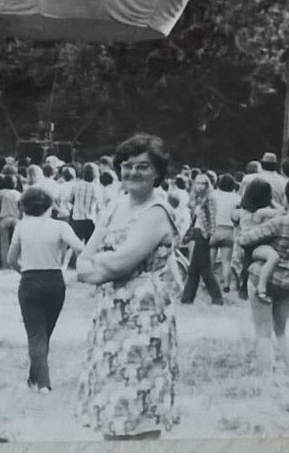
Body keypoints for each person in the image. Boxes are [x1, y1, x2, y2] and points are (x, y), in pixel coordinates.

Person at [75, 134, 182, 441]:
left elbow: (121, 262)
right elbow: (85, 257)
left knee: (140, 400)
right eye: (127, 166)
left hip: (144, 319)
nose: (133, 172)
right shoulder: (115, 205)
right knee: (112, 398)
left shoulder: (157, 211)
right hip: (111, 315)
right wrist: (96, 266)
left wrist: (96, 267)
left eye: (143, 167)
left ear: (158, 173)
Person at [235, 177, 289, 386]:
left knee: (263, 334)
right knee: (282, 331)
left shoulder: (280, 222)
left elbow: (244, 240)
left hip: (262, 277)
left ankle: (266, 381)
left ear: (288, 199)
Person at [7, 186, 85, 392]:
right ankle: (37, 380)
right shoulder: (60, 227)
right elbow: (80, 248)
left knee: (36, 334)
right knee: (45, 333)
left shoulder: (21, 226)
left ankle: (41, 382)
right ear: (49, 205)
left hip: (30, 279)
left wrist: (23, 271)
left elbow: (10, 259)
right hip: (54, 280)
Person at [180, 173, 224, 305]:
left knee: (202, 269)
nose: (199, 186)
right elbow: (190, 207)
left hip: (204, 233)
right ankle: (188, 297)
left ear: (207, 184)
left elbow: (212, 217)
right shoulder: (197, 198)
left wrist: (211, 234)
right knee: (196, 268)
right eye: (197, 183)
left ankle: (215, 298)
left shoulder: (210, 197)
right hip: (197, 231)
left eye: (202, 183)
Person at [235, 179, 282, 303]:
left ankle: (244, 290)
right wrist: (272, 201)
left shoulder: (245, 209)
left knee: (247, 265)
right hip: (256, 242)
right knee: (268, 259)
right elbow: (284, 212)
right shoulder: (261, 212)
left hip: (246, 242)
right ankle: (259, 288)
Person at [211, 174, 241, 290]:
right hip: (228, 230)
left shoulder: (213, 195)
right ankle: (226, 285)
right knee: (226, 261)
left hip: (214, 229)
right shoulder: (236, 198)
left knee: (210, 260)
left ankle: (208, 283)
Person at [68, 163, 104, 247]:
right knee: (89, 246)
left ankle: (75, 259)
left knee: (75, 245)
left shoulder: (76, 185)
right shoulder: (97, 188)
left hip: (76, 219)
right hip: (90, 220)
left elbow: (70, 200)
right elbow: (99, 207)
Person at [0, 175, 23, 269]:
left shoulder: (1, 193)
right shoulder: (18, 194)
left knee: (4, 244)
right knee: (16, 243)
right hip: (15, 219)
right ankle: (16, 263)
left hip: (4, 218)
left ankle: (5, 265)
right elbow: (21, 208)